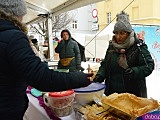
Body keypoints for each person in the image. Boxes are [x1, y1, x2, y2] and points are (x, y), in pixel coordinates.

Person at [0, 0, 93, 119]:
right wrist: (80, 78)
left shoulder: (7, 36)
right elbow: (42, 78)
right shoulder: (14, 37)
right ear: (17, 14)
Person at [93, 11, 154, 98]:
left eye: (122, 33)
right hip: (112, 95)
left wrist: (134, 71)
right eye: (116, 33)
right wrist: (100, 75)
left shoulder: (138, 46)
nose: (118, 36)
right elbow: (105, 64)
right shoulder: (111, 47)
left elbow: (149, 65)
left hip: (132, 96)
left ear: (128, 33)